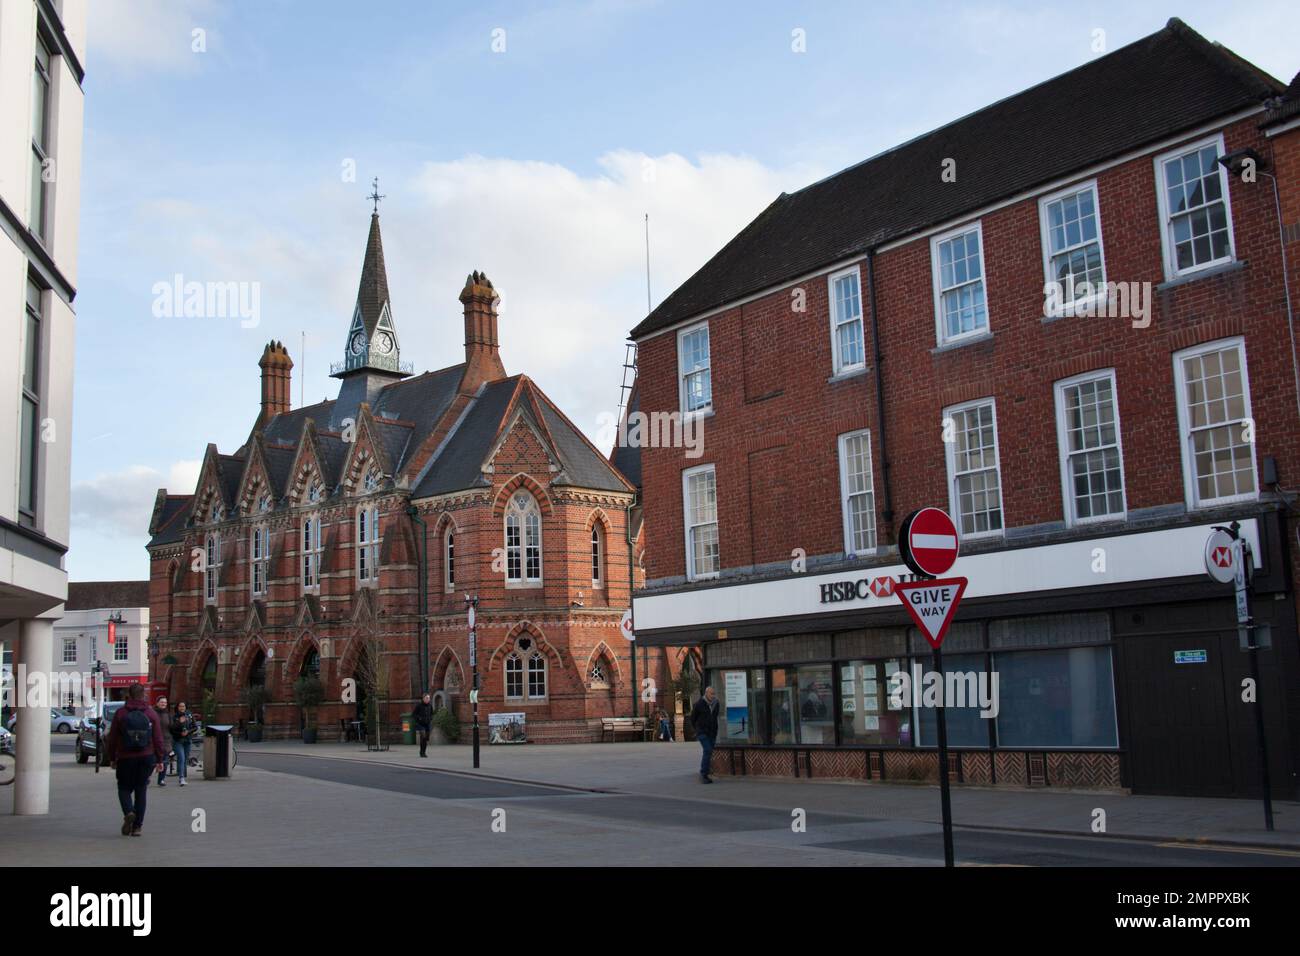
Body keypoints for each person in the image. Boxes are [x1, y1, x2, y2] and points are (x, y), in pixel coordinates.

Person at [105, 683, 165, 837]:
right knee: (141, 789)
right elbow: (158, 739)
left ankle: (129, 812)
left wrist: (112, 758)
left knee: (124, 788)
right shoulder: (151, 714)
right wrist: (159, 759)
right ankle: (137, 827)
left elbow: (112, 739)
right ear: (143, 695)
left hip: (125, 757)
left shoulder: (120, 713)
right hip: (146, 757)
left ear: (129, 695)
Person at [690, 686, 719, 783]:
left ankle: (707, 770)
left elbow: (715, 717)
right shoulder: (699, 704)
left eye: (713, 693)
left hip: (712, 732)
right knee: (707, 750)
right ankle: (703, 774)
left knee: (709, 752)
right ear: (706, 693)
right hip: (702, 732)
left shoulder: (716, 703)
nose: (713, 695)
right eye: (711, 693)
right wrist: (697, 729)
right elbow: (693, 718)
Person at [169, 701, 196, 786]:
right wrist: (179, 724)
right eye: (180, 706)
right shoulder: (174, 717)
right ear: (177, 707)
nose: (182, 708)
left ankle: (182, 775)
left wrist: (188, 732)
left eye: (183, 706)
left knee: (185, 759)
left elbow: (195, 727)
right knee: (181, 758)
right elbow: (172, 729)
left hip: (187, 740)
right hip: (178, 740)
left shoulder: (189, 715)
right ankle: (181, 778)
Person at [154, 696, 169, 785]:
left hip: (166, 740)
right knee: (152, 760)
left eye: (165, 702)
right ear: (157, 703)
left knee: (165, 760)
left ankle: (161, 779)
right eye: (162, 702)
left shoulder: (167, 714)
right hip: (154, 740)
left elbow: (171, 727)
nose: (163, 704)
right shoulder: (153, 713)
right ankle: (146, 777)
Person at [413, 693, 434, 758]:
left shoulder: (430, 706)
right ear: (423, 698)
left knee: (426, 739)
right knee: (423, 736)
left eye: (429, 698)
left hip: (427, 724)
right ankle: (422, 753)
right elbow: (413, 714)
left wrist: (430, 718)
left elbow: (432, 714)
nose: (428, 699)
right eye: (426, 698)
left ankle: (423, 751)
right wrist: (419, 719)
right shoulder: (419, 706)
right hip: (420, 724)